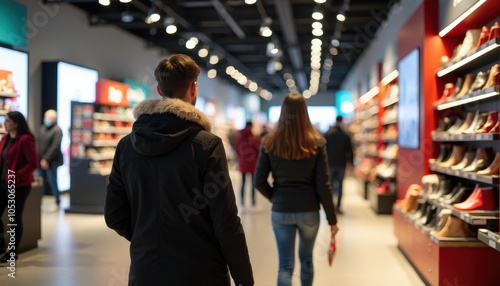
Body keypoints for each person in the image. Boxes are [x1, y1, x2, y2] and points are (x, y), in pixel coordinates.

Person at [104, 54, 253, 286]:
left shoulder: (126, 145)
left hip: (146, 271)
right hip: (201, 271)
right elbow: (225, 221)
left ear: (159, 89)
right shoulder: (207, 144)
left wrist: (148, 237)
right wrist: (244, 279)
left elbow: (114, 214)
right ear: (193, 88)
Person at [254, 93, 339, 286]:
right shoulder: (317, 143)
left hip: (281, 210)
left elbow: (259, 181)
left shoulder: (269, 142)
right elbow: (323, 185)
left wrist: (275, 197)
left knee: (285, 265)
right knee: (307, 260)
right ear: (304, 113)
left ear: (283, 114)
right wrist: (332, 220)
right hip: (309, 211)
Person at [0, 111, 38, 265]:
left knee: (14, 218)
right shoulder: (5, 138)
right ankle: (2, 243)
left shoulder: (25, 140)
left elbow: (32, 164)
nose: (5, 123)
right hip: (2, 183)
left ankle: (12, 252)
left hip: (19, 186)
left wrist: (16, 175)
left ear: (16, 123)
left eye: (7, 120)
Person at [323, 115, 354, 214]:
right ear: (342, 122)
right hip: (342, 163)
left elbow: (323, 149)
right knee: (340, 184)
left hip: (330, 163)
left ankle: (330, 206)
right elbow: (350, 150)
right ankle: (338, 206)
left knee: (330, 185)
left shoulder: (328, 134)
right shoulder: (345, 134)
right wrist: (351, 163)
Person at [37, 109, 63, 209]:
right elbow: (38, 143)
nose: (46, 119)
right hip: (41, 161)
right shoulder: (42, 128)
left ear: (53, 118)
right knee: (40, 183)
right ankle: (38, 202)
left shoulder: (57, 130)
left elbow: (55, 147)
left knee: (53, 182)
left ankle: (57, 201)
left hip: (52, 162)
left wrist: (46, 159)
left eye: (48, 117)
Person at [234, 121, 261, 210]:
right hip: (253, 163)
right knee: (253, 183)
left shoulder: (239, 137)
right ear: (251, 126)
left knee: (243, 183)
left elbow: (237, 149)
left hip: (243, 163)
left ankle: (242, 203)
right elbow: (258, 151)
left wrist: (241, 158)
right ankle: (253, 203)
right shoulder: (254, 138)